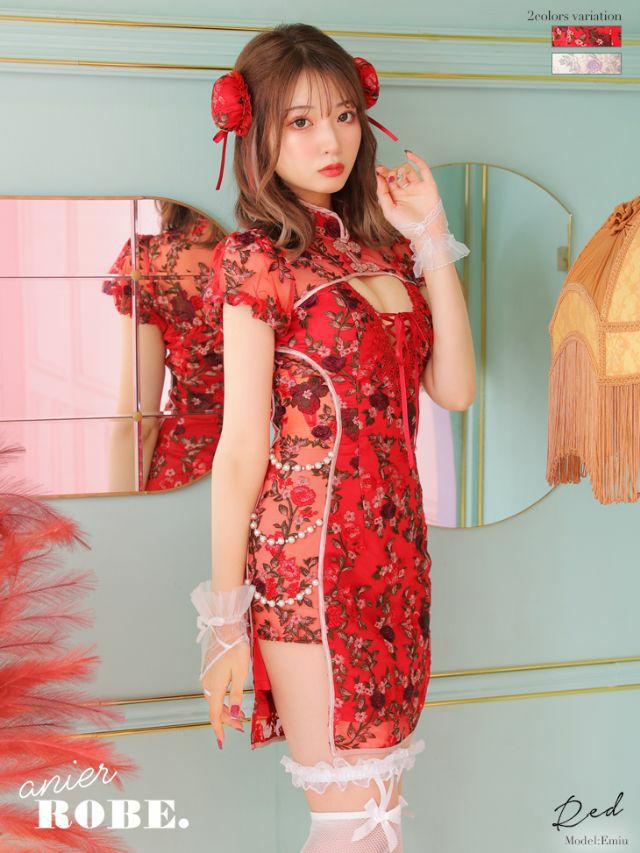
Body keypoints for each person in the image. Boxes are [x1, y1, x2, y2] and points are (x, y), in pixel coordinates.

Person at [190, 23, 476, 852]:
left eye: (345, 116)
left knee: (379, 818)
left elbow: (454, 387)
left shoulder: (385, 249)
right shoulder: (258, 260)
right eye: (301, 121)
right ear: (258, 132)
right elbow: (239, 450)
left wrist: (431, 236)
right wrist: (223, 623)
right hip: (308, 565)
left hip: (396, 556)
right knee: (354, 822)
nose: (331, 141)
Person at [102, 202, 226, 491]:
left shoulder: (150, 261)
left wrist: (118, 510)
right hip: (281, 470)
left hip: (185, 474)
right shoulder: (284, 254)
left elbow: (138, 422)